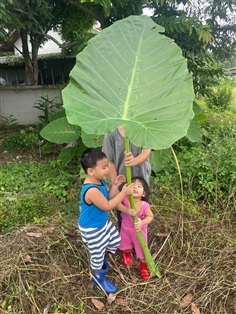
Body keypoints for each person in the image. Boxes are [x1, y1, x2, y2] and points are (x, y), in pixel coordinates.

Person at [78, 148, 136, 294]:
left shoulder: (100, 181)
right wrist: (123, 192)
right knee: (96, 254)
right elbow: (107, 206)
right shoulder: (91, 189)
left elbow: (108, 197)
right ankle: (98, 277)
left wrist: (115, 186)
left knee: (116, 240)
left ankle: (102, 257)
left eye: (107, 165)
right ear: (91, 171)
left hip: (102, 223)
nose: (107, 169)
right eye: (104, 167)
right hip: (92, 228)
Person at [102, 125, 151, 229]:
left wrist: (134, 161)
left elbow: (146, 152)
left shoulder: (143, 128)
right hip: (122, 182)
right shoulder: (110, 133)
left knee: (142, 212)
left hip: (140, 181)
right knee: (123, 214)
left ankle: (140, 241)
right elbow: (109, 162)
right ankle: (126, 242)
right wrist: (116, 185)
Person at [117, 176, 154, 280]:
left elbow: (150, 217)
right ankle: (127, 253)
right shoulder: (125, 199)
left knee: (142, 250)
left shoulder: (145, 205)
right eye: (133, 185)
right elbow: (117, 205)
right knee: (125, 244)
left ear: (144, 194)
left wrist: (142, 222)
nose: (135, 188)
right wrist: (126, 209)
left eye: (139, 186)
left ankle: (143, 266)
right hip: (126, 228)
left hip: (139, 231)